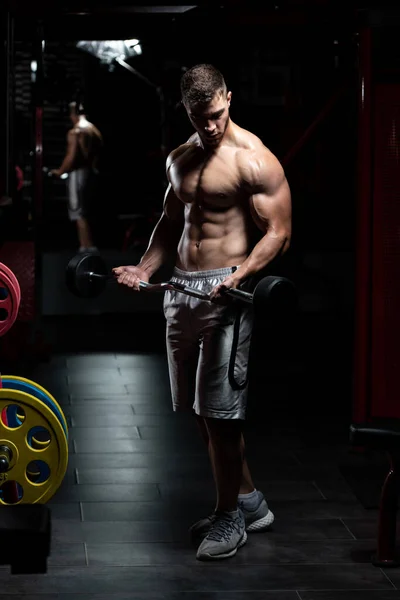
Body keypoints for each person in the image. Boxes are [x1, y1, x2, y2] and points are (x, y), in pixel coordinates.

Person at [113, 64, 292, 561]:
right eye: (198, 117)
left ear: (229, 99)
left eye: (214, 114)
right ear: (186, 111)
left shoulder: (254, 159)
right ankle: (250, 502)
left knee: (222, 414)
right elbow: (171, 224)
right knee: (200, 412)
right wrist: (145, 269)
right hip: (180, 289)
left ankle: (229, 517)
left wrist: (240, 276)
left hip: (226, 292)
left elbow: (278, 231)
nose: (208, 125)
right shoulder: (180, 158)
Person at [51, 101, 103, 252]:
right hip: (90, 173)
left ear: (73, 114)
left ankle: (85, 246)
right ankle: (88, 245)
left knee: (77, 210)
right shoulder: (94, 131)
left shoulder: (76, 132)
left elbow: (71, 157)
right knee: (85, 210)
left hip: (78, 174)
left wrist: (60, 171)